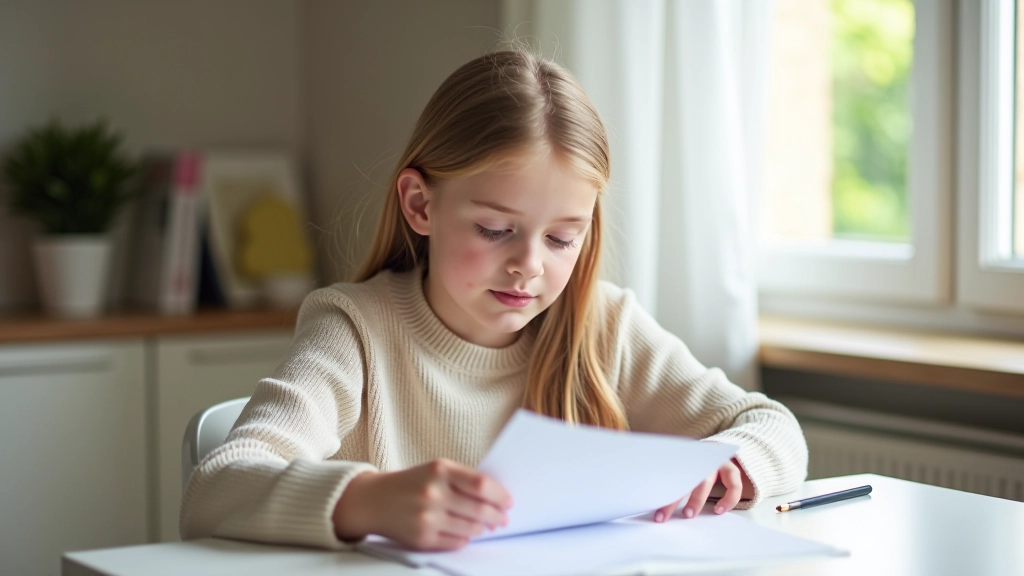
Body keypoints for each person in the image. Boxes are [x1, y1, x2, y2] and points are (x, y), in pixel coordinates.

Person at [180, 48, 808, 552]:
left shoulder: (603, 325)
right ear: (421, 205)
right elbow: (217, 485)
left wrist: (729, 463)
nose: (529, 265)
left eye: (563, 238)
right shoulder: (356, 329)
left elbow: (774, 427)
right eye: (495, 229)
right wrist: (365, 500)